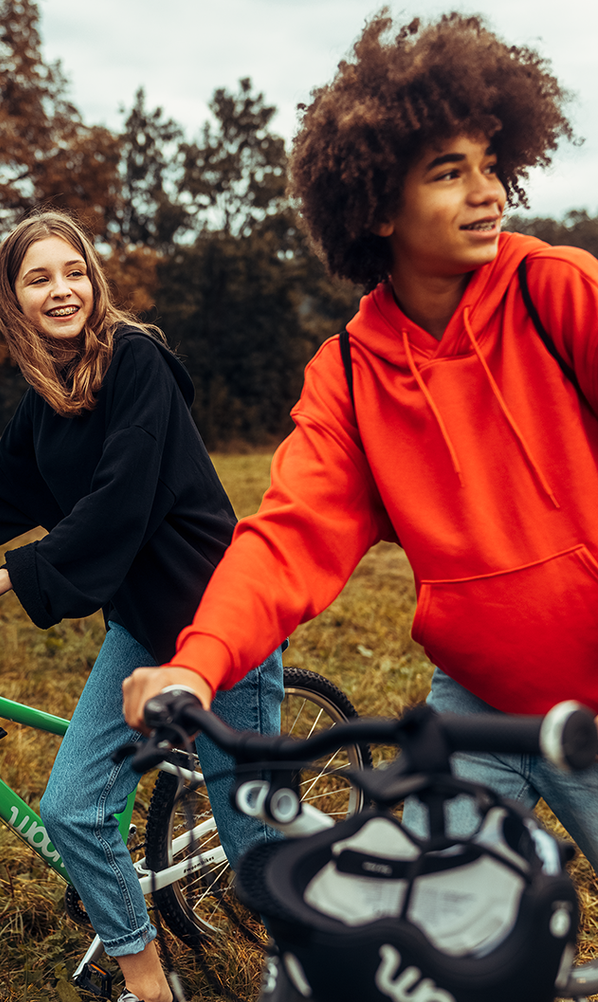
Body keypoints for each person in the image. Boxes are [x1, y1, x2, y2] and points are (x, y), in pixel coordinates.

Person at [123, 12, 598, 867]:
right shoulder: (348, 370)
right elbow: (287, 537)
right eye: (450, 174)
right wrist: (197, 665)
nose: (488, 193)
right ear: (377, 203)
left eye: (491, 167)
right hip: (476, 707)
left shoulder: (556, 293)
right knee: (433, 953)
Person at [0, 210, 283, 1002]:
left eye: (72, 271)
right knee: (72, 809)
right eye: (38, 278)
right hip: (146, 631)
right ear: (14, 298)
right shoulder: (50, 394)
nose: (61, 289)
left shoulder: (137, 362)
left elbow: (121, 499)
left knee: (256, 856)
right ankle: (149, 994)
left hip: (225, 625)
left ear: (94, 279)